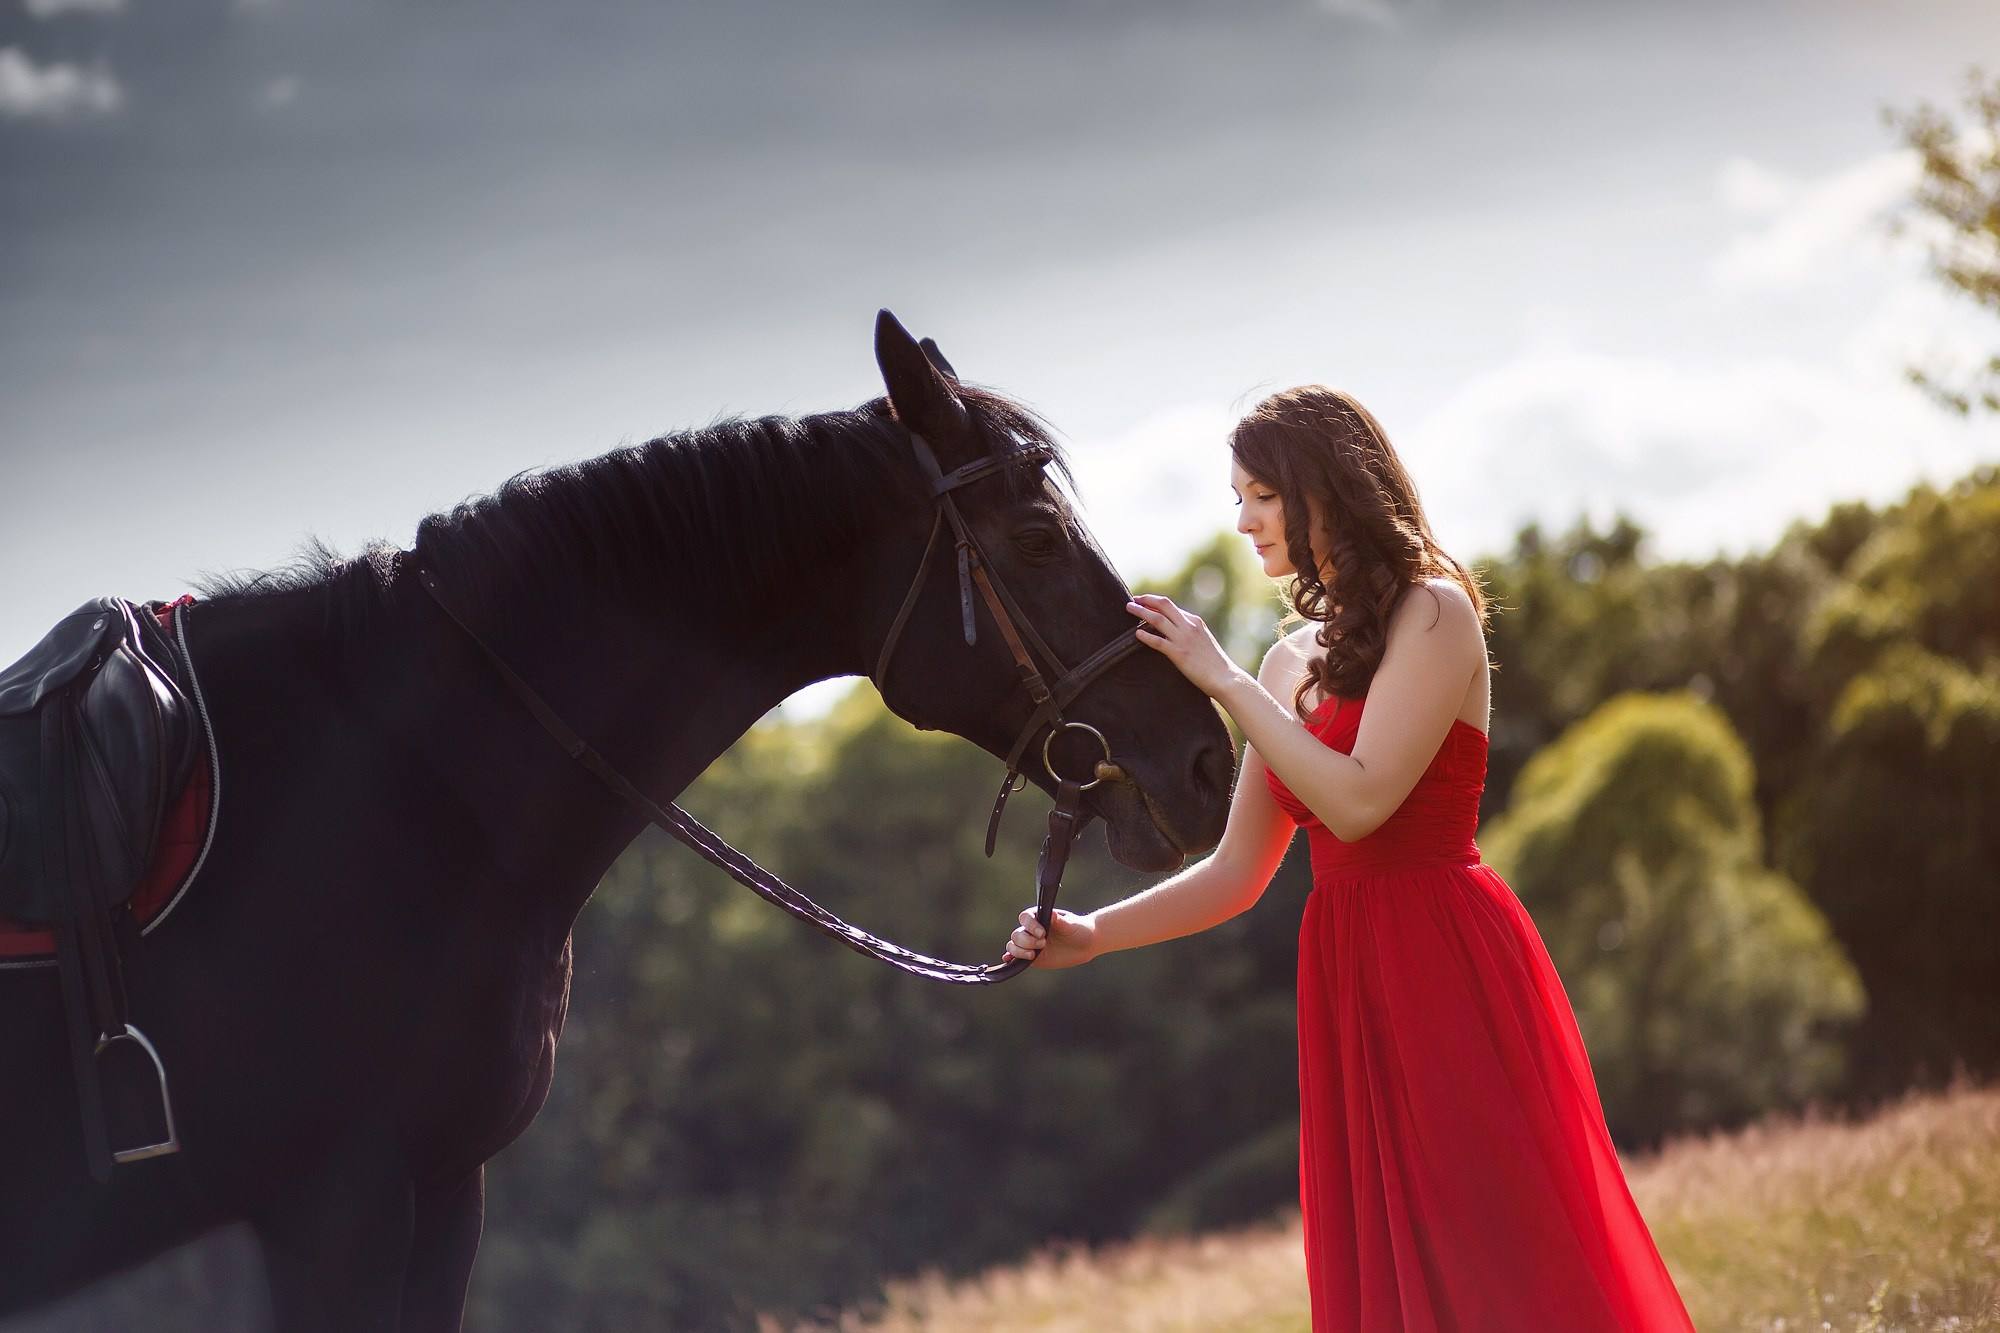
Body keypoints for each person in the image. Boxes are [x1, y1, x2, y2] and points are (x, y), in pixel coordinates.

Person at [1003, 386, 1696, 1331]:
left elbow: (1362, 800)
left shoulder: (1436, 616)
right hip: (1350, 980)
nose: (1242, 521)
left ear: (1323, 489)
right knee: (1389, 1265)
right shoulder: (1288, 663)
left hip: (1447, 962)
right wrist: (1091, 933)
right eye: (1238, 497)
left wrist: (1222, 679)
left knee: (1500, 1248)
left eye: (1261, 494)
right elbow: (1237, 874)